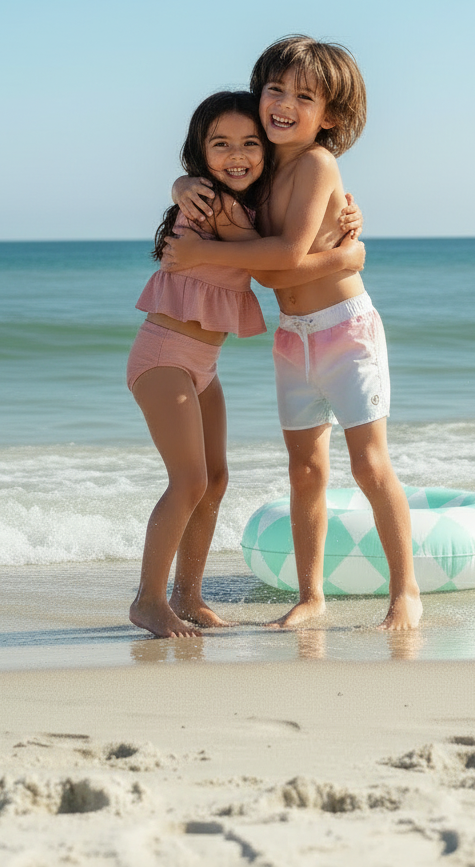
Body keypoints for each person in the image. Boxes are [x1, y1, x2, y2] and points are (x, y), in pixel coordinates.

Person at [164, 37, 422, 632]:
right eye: (275, 89)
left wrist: (346, 258)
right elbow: (237, 220)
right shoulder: (256, 167)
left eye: (304, 96)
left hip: (345, 330)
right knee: (305, 471)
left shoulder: (316, 163)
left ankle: (404, 592)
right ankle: (312, 597)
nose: (284, 103)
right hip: (292, 336)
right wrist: (181, 188)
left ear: (329, 116)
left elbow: (281, 254)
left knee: (369, 463)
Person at [128, 89, 365, 639]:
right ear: (199, 152)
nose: (237, 154)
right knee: (188, 481)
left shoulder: (243, 203)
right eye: (221, 144)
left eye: (249, 143)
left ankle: (187, 595)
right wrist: (347, 254)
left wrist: (344, 213)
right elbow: (274, 259)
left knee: (214, 480)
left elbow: (279, 238)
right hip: (164, 356)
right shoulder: (215, 205)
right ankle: (148, 599)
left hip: (201, 363)